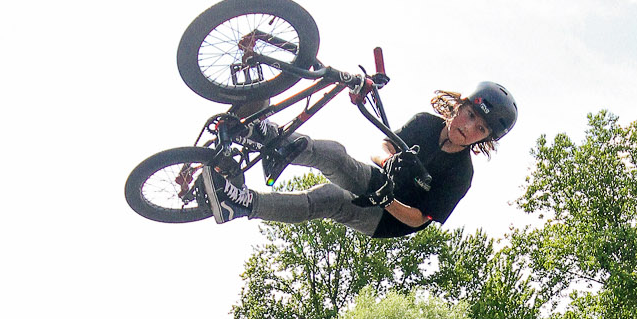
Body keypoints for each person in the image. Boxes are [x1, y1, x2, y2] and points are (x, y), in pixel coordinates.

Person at [200, 82, 518, 239]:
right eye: (470, 115)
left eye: (480, 129)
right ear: (459, 106)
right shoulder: (425, 123)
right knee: (335, 155)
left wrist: (388, 200)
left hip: (389, 219)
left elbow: (419, 219)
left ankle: (241, 204)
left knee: (328, 199)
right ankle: (265, 137)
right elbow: (382, 146)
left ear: (484, 139)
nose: (469, 128)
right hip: (378, 180)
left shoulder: (461, 174)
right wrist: (387, 160)